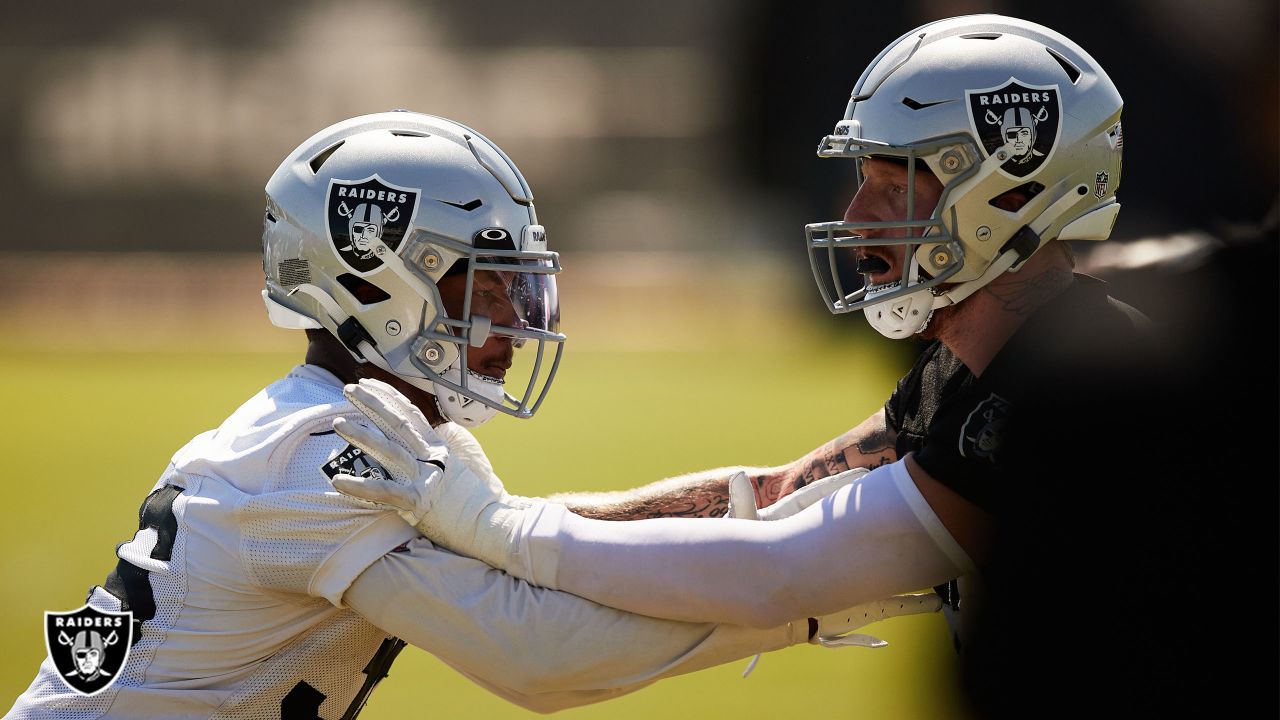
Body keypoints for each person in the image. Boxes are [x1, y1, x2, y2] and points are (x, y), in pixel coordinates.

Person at [329, 15, 1236, 717]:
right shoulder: (981, 372)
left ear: (1007, 188)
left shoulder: (1063, 396)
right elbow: (771, 495)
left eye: (895, 177)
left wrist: (492, 530)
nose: (858, 211)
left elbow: (778, 570)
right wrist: (519, 519)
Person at [5, 110, 928, 720]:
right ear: (374, 283)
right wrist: (817, 593)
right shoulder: (312, 456)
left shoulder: (370, 422)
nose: (519, 326)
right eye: (486, 289)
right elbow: (538, 652)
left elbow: (543, 544)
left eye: (523, 291)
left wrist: (778, 495)